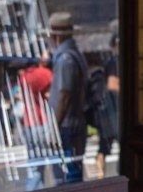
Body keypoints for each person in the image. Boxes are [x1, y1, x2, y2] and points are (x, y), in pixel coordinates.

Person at [48, 12, 89, 183]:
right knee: (71, 174)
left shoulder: (65, 59)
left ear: (55, 35)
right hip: (72, 125)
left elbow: (64, 95)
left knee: (67, 178)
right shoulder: (74, 54)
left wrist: (53, 128)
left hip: (67, 127)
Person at [87, 34, 120, 178]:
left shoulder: (111, 62)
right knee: (113, 143)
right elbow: (113, 85)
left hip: (109, 111)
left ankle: (101, 176)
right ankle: (103, 175)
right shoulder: (114, 62)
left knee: (104, 145)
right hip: (115, 111)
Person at [19, 52, 53, 189]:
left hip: (29, 122)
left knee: (34, 163)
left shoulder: (23, 77)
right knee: (47, 161)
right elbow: (51, 94)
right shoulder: (44, 73)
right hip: (42, 120)